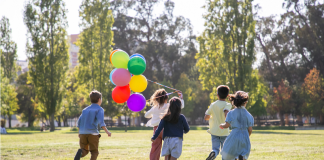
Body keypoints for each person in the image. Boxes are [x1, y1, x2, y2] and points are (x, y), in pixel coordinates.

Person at [145, 89, 184, 160]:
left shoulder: (154, 108)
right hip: (166, 129)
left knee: (155, 148)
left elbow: (146, 115)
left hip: (156, 130)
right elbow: (180, 106)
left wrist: (155, 114)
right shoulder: (169, 106)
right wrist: (181, 97)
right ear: (166, 98)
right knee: (168, 147)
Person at [74, 90, 112, 160]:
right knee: (94, 152)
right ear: (99, 99)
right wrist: (107, 132)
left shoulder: (85, 110)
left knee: (84, 150)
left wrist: (79, 132)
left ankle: (80, 152)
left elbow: (79, 122)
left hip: (82, 133)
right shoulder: (99, 109)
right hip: (93, 133)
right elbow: (101, 122)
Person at [220, 91, 254, 160]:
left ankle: (235, 158)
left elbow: (227, 125)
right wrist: (246, 136)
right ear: (245, 102)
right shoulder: (249, 115)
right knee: (243, 152)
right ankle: (241, 157)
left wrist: (222, 125)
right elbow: (250, 130)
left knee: (227, 152)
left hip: (234, 135)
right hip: (244, 136)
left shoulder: (231, 113)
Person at [204, 85, 232, 160]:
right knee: (225, 150)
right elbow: (226, 113)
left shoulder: (213, 105)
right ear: (227, 95)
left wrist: (213, 116)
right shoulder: (227, 104)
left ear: (217, 95)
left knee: (215, 148)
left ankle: (214, 152)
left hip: (214, 131)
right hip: (224, 131)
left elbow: (206, 117)